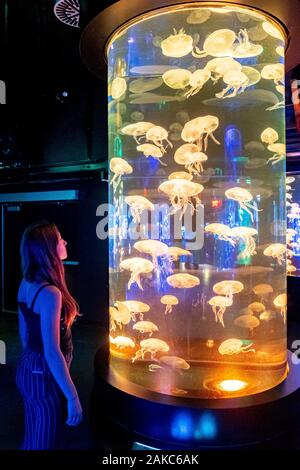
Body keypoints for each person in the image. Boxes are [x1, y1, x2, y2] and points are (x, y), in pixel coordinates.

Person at [16, 221, 83, 450]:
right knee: (43, 439)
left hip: (28, 365)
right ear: (48, 250)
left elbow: (24, 333)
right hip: (42, 372)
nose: (64, 242)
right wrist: (73, 398)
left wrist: (33, 361)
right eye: (59, 239)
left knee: (33, 431)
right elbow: (52, 351)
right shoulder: (50, 293)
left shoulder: (26, 283)